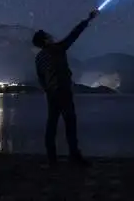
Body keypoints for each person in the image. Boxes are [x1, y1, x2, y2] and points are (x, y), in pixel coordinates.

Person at [32, 9, 100, 167]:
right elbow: (74, 35)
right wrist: (88, 20)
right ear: (45, 40)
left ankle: (52, 159)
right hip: (62, 91)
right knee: (70, 123)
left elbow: (40, 78)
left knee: (52, 124)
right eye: (48, 35)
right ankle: (74, 157)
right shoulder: (57, 49)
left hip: (51, 94)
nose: (51, 36)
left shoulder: (39, 58)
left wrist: (48, 90)